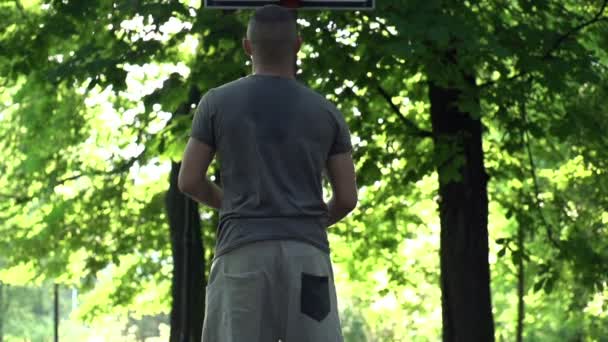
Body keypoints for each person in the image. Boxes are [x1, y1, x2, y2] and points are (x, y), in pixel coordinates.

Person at [178, 4, 358, 342]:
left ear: (248, 46)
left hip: (241, 257)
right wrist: (306, 221)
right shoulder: (326, 111)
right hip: (308, 261)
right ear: (298, 45)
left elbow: (189, 180)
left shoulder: (216, 103)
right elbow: (347, 198)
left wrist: (232, 205)